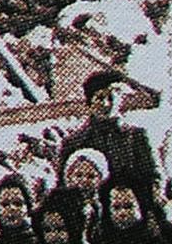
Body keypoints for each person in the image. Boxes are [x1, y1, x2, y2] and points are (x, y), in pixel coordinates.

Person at [57, 69, 162, 201]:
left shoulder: (134, 138)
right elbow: (63, 189)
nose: (106, 104)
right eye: (100, 98)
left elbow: (150, 180)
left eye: (111, 98)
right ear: (89, 102)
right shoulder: (73, 143)